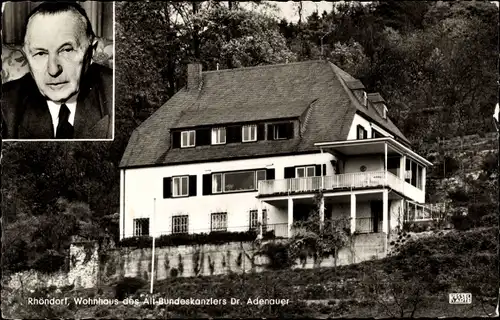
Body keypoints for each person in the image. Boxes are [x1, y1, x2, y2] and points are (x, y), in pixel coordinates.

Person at [1, 1, 113, 139]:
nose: (53, 70)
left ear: (91, 51)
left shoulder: (119, 97)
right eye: (41, 53)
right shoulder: (5, 107)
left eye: (66, 50)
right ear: (27, 56)